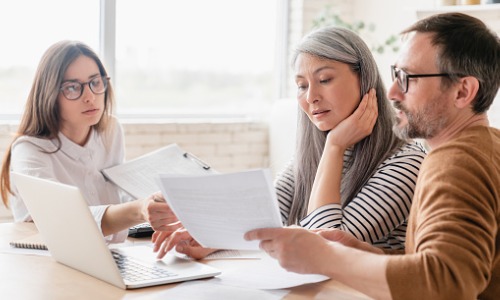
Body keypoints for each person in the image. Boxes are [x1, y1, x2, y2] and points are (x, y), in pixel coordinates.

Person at [245, 12, 500, 300]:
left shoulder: (455, 160)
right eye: (394, 75)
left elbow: (448, 283)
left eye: (407, 78)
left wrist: (327, 257)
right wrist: (372, 253)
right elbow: (455, 264)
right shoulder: (485, 148)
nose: (391, 92)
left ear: (463, 91)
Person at [149, 26, 427, 259]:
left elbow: (325, 248)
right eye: (302, 86)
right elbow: (265, 216)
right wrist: (209, 239)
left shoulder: (407, 163)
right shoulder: (311, 154)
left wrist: (335, 147)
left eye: (325, 79)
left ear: (364, 79)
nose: (311, 97)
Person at [0, 41, 158, 243]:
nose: (90, 96)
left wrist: (153, 203)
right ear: (50, 94)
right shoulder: (30, 150)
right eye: (73, 87)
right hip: (54, 264)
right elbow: (65, 220)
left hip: (113, 254)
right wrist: (138, 210)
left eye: (95, 82)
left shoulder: (111, 131)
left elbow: (116, 192)